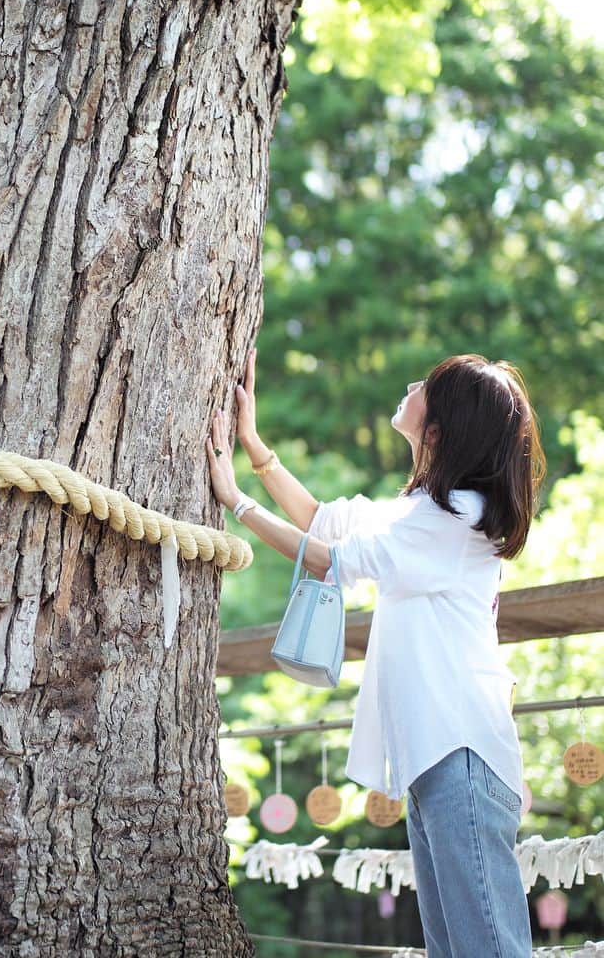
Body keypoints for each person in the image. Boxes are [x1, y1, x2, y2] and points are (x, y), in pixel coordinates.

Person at [206, 348, 546, 958]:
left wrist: (236, 502)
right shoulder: (424, 513)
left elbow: (327, 560)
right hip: (437, 758)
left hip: (458, 753)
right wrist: (253, 446)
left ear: (439, 429)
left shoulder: (454, 520)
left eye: (429, 387)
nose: (413, 383)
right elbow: (322, 521)